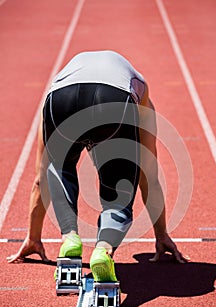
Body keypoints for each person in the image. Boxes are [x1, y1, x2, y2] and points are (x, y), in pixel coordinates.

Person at [7, 51, 188, 280]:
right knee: (118, 194)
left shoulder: (61, 80)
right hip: (113, 97)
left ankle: (70, 236)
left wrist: (34, 237)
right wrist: (161, 234)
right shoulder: (142, 95)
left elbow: (40, 178)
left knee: (60, 170)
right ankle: (103, 249)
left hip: (59, 100)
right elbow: (148, 173)